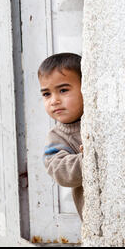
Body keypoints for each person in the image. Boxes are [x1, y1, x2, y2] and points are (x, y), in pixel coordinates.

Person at [38, 53, 85, 221]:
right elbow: (60, 172)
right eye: (46, 94)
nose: (54, 101)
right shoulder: (57, 138)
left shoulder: (98, 122)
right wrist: (86, 160)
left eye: (63, 90)